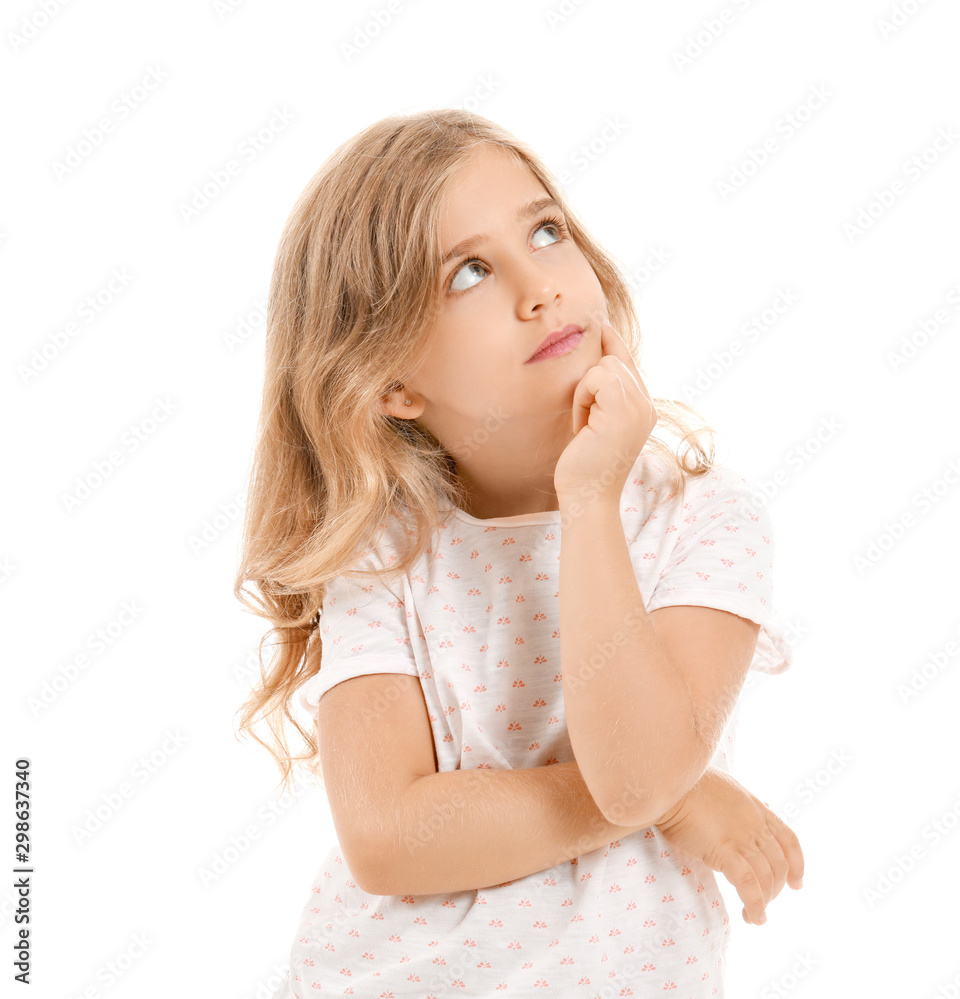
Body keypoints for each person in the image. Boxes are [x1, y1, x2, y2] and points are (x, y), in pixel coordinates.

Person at [234, 108, 805, 998]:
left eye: (545, 231)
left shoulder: (705, 522)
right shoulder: (385, 553)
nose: (539, 286)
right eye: (469, 272)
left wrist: (590, 501)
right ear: (392, 382)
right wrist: (679, 801)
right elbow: (386, 836)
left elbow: (642, 764)